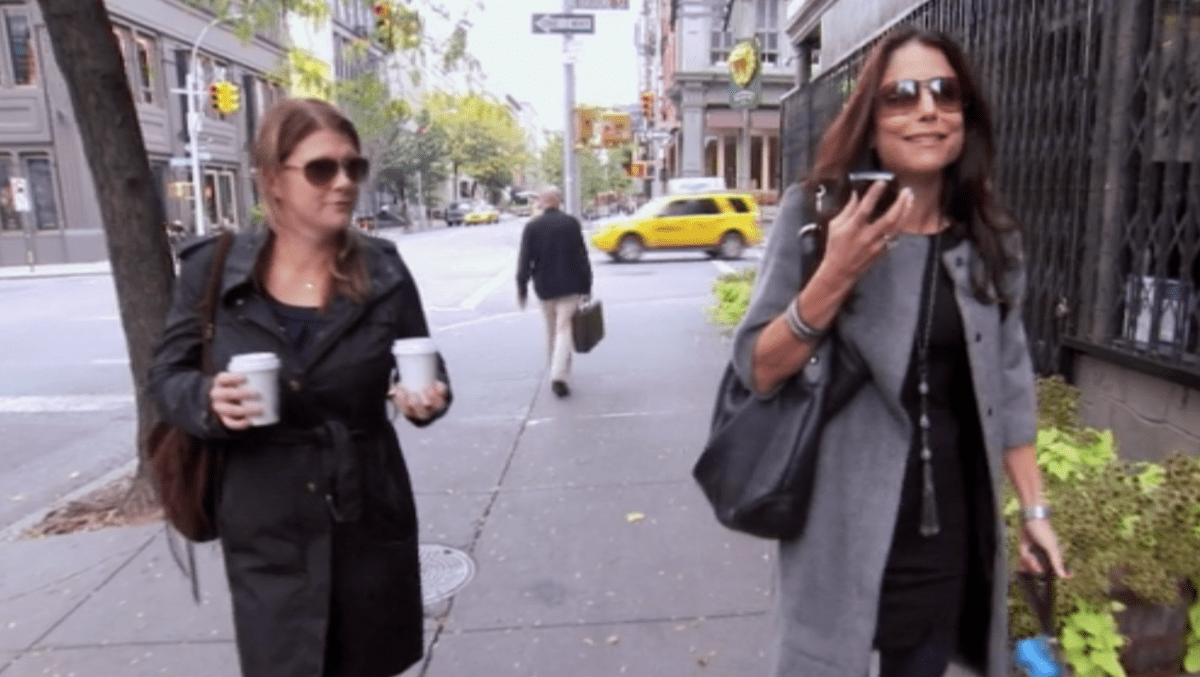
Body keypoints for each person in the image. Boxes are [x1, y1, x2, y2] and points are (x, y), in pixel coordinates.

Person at [731, 26, 1068, 677]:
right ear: (870, 117)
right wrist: (835, 273)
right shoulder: (817, 215)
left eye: (945, 92)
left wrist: (1035, 511)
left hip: (946, 532)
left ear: (966, 114)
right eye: (902, 95)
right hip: (837, 524)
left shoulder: (989, 235)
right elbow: (758, 368)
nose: (927, 109)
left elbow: (1010, 383)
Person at [149, 98, 450, 677]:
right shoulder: (212, 269)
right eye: (321, 169)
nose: (344, 182)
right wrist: (208, 401)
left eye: (353, 167)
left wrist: (426, 399)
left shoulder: (384, 269)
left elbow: (427, 367)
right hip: (266, 523)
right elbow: (166, 377)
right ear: (273, 180)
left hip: (366, 512)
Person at [516, 186, 593, 398]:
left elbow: (524, 260)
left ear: (543, 202)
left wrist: (522, 288)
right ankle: (559, 375)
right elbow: (582, 257)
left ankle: (557, 370)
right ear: (557, 201)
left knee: (552, 331)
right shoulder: (571, 223)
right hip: (571, 285)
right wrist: (587, 286)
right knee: (564, 329)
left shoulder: (532, 227)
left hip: (544, 287)